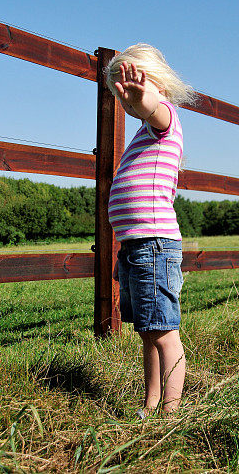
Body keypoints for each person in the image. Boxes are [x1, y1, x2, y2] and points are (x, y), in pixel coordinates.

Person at [103, 43, 198, 418]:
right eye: (121, 99)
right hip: (135, 246)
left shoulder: (165, 119)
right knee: (147, 330)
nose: (129, 104)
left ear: (158, 85)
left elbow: (156, 110)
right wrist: (138, 108)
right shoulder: (143, 134)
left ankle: (171, 413)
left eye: (132, 92)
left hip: (154, 246)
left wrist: (146, 103)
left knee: (164, 332)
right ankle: (151, 402)